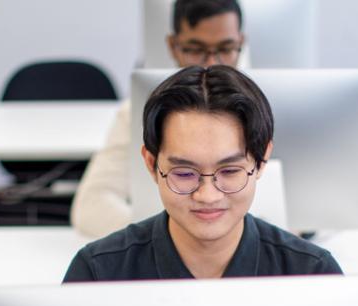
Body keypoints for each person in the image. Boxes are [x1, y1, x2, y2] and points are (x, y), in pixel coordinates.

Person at [63, 65, 341, 282]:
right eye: (184, 173)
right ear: (151, 164)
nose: (207, 196)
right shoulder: (97, 273)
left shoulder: (312, 273)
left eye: (230, 170)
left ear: (261, 160)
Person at [70, 0, 247, 238]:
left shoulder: (274, 106)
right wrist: (169, 236)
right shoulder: (142, 109)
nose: (212, 64)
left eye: (225, 49)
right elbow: (91, 207)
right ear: (173, 46)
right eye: (196, 49)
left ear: (241, 44)